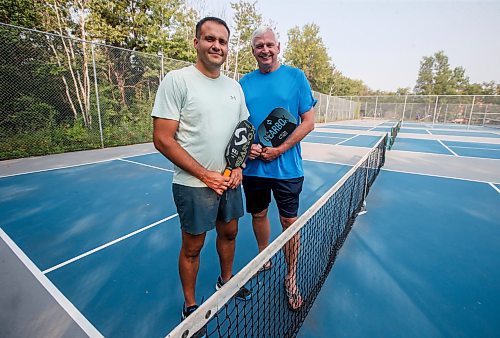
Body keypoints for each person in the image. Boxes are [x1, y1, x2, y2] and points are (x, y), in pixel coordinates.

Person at [151, 17, 252, 334]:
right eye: (210, 39)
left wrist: (238, 166)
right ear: (196, 42)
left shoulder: (235, 87)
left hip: (230, 183)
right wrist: (206, 175)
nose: (216, 46)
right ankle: (191, 306)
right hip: (194, 186)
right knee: (192, 248)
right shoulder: (177, 81)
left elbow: (243, 133)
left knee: (230, 234)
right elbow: (162, 138)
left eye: (222, 41)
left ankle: (227, 280)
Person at [239, 26, 316, 311]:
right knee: (258, 214)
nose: (265, 50)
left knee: (288, 224)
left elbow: (308, 121)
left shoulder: (296, 78)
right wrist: (250, 148)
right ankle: (264, 257)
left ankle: (291, 276)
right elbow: (238, 125)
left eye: (269, 44)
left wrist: (280, 149)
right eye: (259, 45)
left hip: (288, 169)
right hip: (253, 170)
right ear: (253, 50)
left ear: (278, 46)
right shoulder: (244, 83)